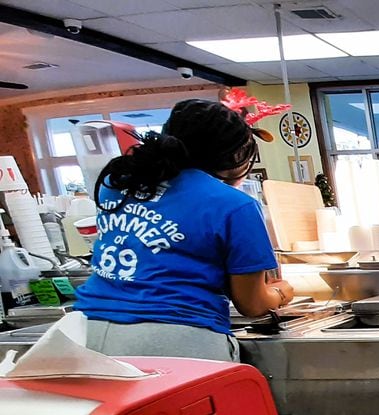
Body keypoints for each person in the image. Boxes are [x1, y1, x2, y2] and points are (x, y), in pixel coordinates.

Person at [74, 99, 294, 362]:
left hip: (87, 333)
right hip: (173, 340)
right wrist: (281, 292)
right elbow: (252, 304)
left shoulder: (116, 183)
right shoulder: (234, 205)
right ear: (235, 155)